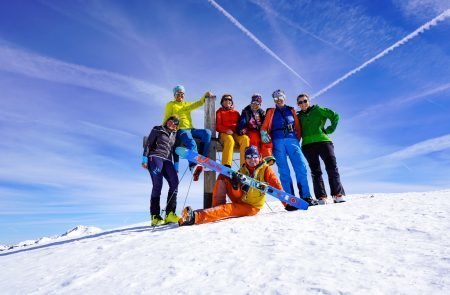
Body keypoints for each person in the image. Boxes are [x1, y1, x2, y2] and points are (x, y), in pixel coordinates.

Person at [178, 146, 283, 226]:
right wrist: (235, 184)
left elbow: (276, 185)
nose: (252, 160)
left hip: (251, 207)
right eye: (249, 157)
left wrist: (287, 203)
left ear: (259, 157)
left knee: (227, 209)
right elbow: (237, 190)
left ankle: (194, 217)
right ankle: (215, 209)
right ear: (245, 159)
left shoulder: (265, 169)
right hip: (240, 198)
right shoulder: (242, 170)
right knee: (224, 175)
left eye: (255, 157)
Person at [260, 89, 317, 206]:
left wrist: (296, 139)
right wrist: (263, 133)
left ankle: (306, 196)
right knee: (284, 171)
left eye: (280, 97)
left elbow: (298, 127)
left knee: (301, 166)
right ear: (274, 100)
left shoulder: (291, 110)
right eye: (276, 98)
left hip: (292, 140)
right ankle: (290, 200)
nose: (278, 99)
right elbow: (264, 127)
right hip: (277, 142)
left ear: (284, 97)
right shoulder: (271, 112)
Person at [296, 93, 346, 204]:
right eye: (300, 102)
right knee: (315, 171)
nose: (303, 103)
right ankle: (321, 197)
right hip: (308, 145)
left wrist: (329, 129)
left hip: (324, 142)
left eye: (305, 101)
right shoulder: (298, 116)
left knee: (332, 168)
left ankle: (337, 194)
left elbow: (335, 115)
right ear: (298, 104)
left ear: (309, 101)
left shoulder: (318, 109)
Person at [163, 85, 212, 181]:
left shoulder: (186, 104)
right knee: (191, 142)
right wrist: (163, 130)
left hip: (191, 129)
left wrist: (205, 95)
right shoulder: (171, 105)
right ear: (174, 95)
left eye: (182, 94)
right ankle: (193, 166)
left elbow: (199, 103)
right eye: (178, 94)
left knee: (207, 133)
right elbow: (167, 117)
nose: (180, 95)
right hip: (181, 130)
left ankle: (202, 159)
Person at [142, 116, 180, 226]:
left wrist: (176, 165)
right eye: (170, 121)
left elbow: (174, 151)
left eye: (174, 123)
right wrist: (144, 159)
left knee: (175, 183)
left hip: (168, 160)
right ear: (167, 121)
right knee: (158, 184)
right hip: (155, 157)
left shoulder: (174, 135)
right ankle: (155, 216)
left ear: (176, 126)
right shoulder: (157, 129)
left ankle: (170, 214)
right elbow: (148, 143)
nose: (171, 124)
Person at [216, 94, 250, 168]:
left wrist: (244, 129)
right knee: (230, 141)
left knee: (245, 139)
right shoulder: (219, 112)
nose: (228, 101)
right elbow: (218, 126)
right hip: (224, 133)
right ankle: (226, 164)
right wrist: (226, 130)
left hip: (235, 133)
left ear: (231, 102)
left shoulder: (236, 113)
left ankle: (244, 165)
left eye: (229, 99)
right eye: (225, 99)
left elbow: (241, 124)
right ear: (222, 102)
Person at [236, 93, 272, 158]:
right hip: (250, 130)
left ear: (260, 105)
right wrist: (240, 129)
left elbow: (266, 123)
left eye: (257, 104)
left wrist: (266, 131)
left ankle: (267, 157)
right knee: (254, 140)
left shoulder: (262, 113)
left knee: (267, 140)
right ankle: (255, 158)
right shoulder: (246, 112)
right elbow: (242, 121)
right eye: (253, 103)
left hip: (261, 131)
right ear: (251, 103)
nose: (255, 105)